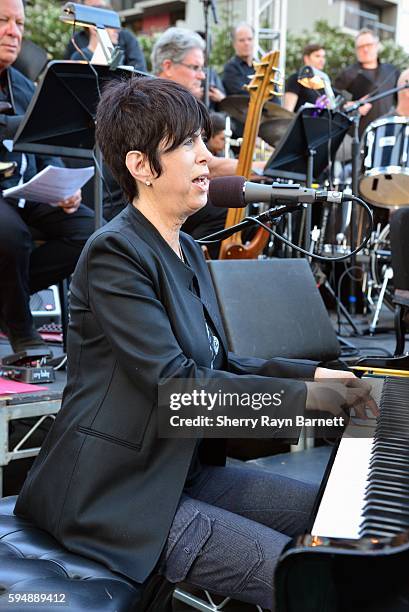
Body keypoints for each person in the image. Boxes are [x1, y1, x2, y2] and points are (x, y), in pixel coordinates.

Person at [15, 76, 376, 611]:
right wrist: (321, 407)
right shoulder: (115, 253)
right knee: (316, 582)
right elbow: (179, 391)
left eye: (204, 143)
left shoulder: (185, 245)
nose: (209, 159)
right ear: (141, 166)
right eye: (188, 145)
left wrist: (319, 378)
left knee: (340, 524)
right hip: (117, 495)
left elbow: (218, 360)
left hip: (181, 471)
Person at [0, 0, 95, 354]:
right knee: (12, 235)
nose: (14, 32)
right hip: (6, 207)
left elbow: (46, 146)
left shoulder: (24, 86)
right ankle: (21, 329)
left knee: (91, 233)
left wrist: (62, 186)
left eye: (19, 23)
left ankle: (9, 300)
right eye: (4, 21)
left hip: (25, 194)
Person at [334, 28, 399, 137]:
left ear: (377, 45)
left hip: (386, 133)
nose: (365, 50)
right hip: (357, 135)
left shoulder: (392, 71)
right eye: (360, 47)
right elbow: (333, 101)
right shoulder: (348, 74)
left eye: (369, 45)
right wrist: (352, 106)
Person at [64, 0, 147, 71]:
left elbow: (140, 69)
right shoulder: (79, 56)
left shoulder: (118, 53)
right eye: (110, 25)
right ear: (93, 29)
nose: (117, 30)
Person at [283, 43, 328, 112]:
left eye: (323, 56)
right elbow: (288, 110)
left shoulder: (323, 80)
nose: (322, 60)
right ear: (306, 58)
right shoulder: (296, 78)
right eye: (317, 56)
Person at [222, 23, 255, 97]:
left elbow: (274, 97)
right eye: (241, 40)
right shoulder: (230, 69)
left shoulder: (261, 67)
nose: (246, 43)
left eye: (250, 39)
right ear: (234, 43)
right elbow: (242, 97)